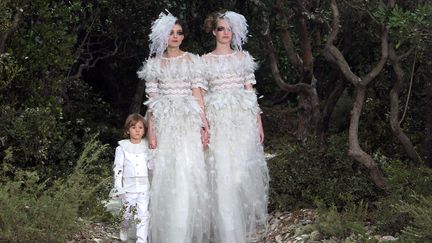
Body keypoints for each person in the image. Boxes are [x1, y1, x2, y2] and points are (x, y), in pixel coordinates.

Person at [137, 11, 210, 243]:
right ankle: (169, 233)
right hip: (165, 123)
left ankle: (185, 230)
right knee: (167, 174)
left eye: (179, 33)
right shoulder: (154, 65)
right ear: (162, 36)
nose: (176, 37)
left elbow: (198, 94)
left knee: (188, 172)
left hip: (188, 122)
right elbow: (151, 101)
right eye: (171, 33)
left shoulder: (192, 60)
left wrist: (204, 124)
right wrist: (152, 130)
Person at [202, 10, 269, 243]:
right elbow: (200, 96)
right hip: (218, 122)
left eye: (229, 29)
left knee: (240, 176)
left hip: (242, 121)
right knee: (222, 176)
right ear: (214, 31)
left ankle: (239, 232)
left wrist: (258, 122)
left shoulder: (243, 58)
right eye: (221, 28)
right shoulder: (204, 61)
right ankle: (228, 235)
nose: (226, 33)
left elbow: (250, 93)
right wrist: (204, 126)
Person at [111, 113, 152, 243]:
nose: (137, 130)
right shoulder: (122, 148)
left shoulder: (147, 147)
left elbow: (151, 166)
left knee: (143, 214)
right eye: (133, 127)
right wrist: (118, 186)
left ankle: (141, 239)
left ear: (144, 130)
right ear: (127, 130)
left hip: (143, 186)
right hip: (128, 187)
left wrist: (154, 155)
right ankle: (124, 228)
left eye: (140, 128)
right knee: (127, 214)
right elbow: (118, 168)